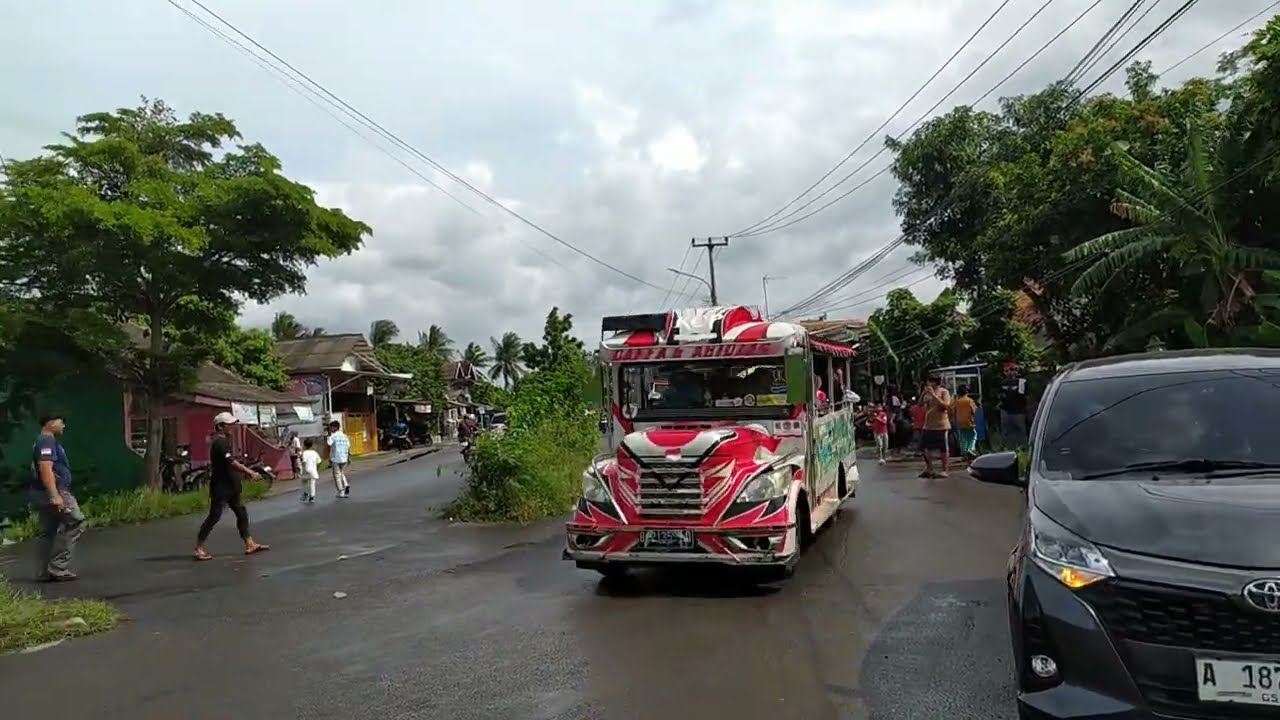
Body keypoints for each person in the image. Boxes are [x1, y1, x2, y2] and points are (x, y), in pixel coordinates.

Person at [193, 412, 268, 561]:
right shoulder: (219, 443)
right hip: (221, 486)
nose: (232, 427)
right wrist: (250, 472)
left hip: (231, 484)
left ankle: (249, 543)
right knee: (214, 516)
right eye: (229, 424)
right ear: (220, 426)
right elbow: (232, 462)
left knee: (241, 513)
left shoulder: (226, 441)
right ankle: (199, 547)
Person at [30, 412, 84, 582]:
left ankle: (43, 571)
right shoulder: (46, 441)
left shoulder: (42, 441)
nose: (63, 426)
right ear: (51, 423)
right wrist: (55, 495)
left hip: (41, 493)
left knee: (48, 531)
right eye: (61, 422)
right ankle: (58, 567)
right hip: (55, 492)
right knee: (76, 521)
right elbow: (45, 468)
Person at [920, 376, 953, 478]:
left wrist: (934, 395)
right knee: (923, 446)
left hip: (941, 424)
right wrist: (923, 394)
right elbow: (920, 404)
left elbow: (946, 405)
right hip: (928, 424)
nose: (929, 384)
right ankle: (929, 468)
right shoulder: (928, 393)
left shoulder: (944, 392)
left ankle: (945, 470)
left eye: (930, 382)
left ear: (936, 382)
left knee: (943, 448)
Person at [999, 362, 1029, 447]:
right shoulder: (1002, 383)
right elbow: (1000, 396)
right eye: (1006, 371)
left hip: (1018, 411)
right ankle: (1009, 449)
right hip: (1006, 411)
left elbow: (1022, 396)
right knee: (1007, 433)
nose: (1009, 373)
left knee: (1021, 433)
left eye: (1012, 370)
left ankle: (1023, 449)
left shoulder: (1021, 382)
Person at [326, 420, 351, 498]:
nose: (330, 429)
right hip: (344, 457)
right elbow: (348, 446)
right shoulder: (344, 436)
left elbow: (329, 443)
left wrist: (329, 435)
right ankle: (346, 484)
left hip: (336, 458)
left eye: (331, 427)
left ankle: (341, 491)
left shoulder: (333, 436)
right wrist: (348, 457)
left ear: (334, 427)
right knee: (341, 472)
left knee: (337, 475)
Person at [954, 385, 979, 458]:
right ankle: (970, 449)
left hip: (960, 422)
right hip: (969, 421)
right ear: (967, 392)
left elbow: (954, 410)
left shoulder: (957, 401)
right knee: (973, 436)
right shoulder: (969, 401)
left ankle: (964, 452)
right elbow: (974, 410)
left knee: (963, 438)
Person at [299, 439, 322, 503]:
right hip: (313, 470)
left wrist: (302, 468)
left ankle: (306, 493)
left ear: (304, 445)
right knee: (312, 483)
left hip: (306, 470)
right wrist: (316, 469)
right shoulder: (315, 452)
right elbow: (319, 461)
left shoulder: (305, 453)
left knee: (304, 482)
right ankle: (312, 496)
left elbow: (304, 461)